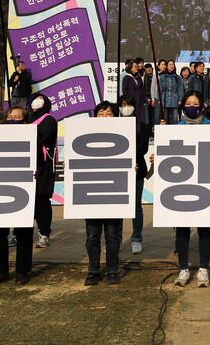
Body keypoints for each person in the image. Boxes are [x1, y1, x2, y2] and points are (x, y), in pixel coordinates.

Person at [166, 91, 210, 288]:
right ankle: (183, 268)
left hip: (204, 181)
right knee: (182, 227)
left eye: (196, 103)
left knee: (204, 228)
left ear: (202, 106)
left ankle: (203, 269)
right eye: (189, 103)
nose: (192, 106)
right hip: (182, 182)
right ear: (183, 106)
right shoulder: (176, 128)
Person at [0, 106, 35, 286]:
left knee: (23, 232)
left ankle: (22, 272)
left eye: (17, 117)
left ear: (25, 121)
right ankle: (1, 272)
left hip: (23, 188)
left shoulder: (33, 137)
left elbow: (40, 160)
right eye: (9, 116)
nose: (12, 119)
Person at [83, 101, 125, 285]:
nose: (104, 117)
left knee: (112, 235)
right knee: (92, 236)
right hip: (91, 191)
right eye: (101, 113)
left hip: (114, 191)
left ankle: (112, 270)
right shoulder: (85, 134)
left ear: (115, 116)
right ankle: (93, 271)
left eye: (109, 114)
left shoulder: (124, 135)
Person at [119, 94, 152, 255]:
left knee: (136, 206)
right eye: (123, 105)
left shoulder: (143, 126)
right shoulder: (114, 125)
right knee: (118, 208)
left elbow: (143, 149)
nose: (126, 108)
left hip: (137, 170)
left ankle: (136, 239)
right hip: (118, 171)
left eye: (128, 104)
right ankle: (115, 239)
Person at [29, 93, 57, 249]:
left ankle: (44, 233)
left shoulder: (49, 120)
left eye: (40, 100)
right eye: (35, 99)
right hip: (27, 163)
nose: (36, 102)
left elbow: (38, 135)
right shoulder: (29, 119)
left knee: (41, 199)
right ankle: (19, 233)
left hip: (43, 165)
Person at [160, 60, 183, 124]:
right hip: (165, 99)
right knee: (164, 118)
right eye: (170, 64)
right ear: (167, 66)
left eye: (173, 64)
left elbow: (180, 89)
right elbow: (160, 89)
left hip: (175, 99)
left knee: (175, 118)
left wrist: (180, 99)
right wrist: (159, 99)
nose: (171, 66)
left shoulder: (178, 77)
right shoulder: (162, 77)